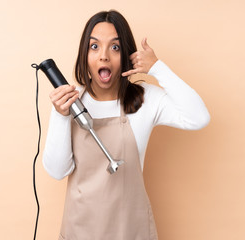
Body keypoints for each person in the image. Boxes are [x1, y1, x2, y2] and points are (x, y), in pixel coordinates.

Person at [43, 10, 210, 240]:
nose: (104, 56)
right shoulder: (70, 101)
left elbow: (199, 117)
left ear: (128, 55)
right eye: (94, 47)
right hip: (79, 232)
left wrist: (157, 68)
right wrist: (60, 115)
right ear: (84, 54)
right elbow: (57, 170)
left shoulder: (146, 99)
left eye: (115, 47)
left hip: (132, 231)